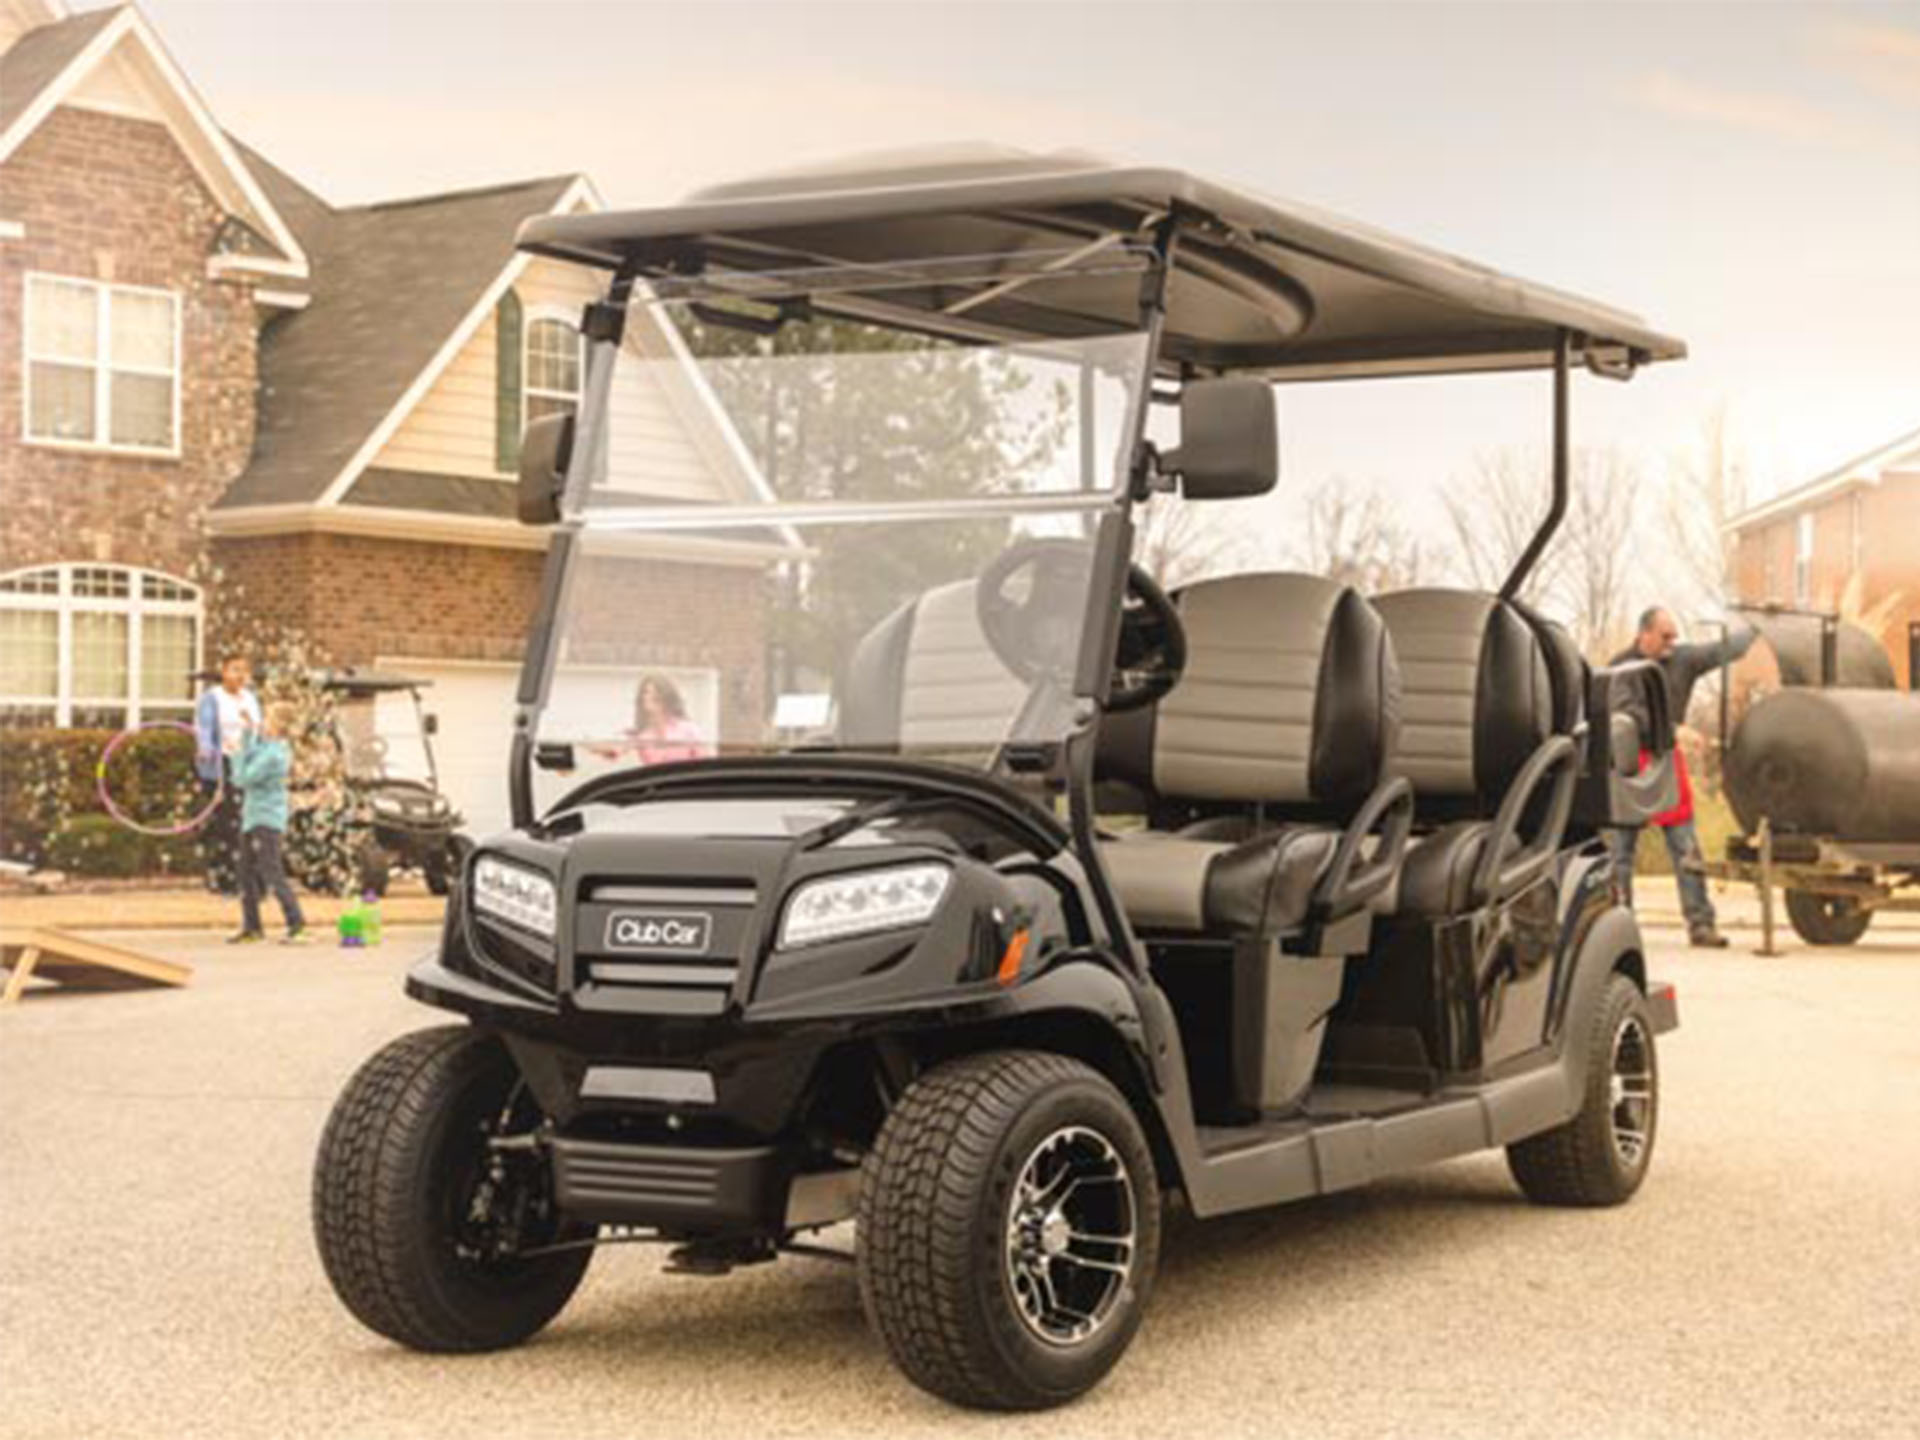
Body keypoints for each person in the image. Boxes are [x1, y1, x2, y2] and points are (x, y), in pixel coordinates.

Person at [1609, 606, 1757, 948]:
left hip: (1666, 762)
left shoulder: (1683, 660)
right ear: (1644, 634)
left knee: (1686, 847)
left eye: (1675, 636)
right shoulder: (1621, 668)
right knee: (1621, 853)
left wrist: (1759, 628)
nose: (1672, 643)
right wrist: (1673, 729)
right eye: (1665, 636)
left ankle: (1701, 924)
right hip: (1629, 765)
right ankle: (1620, 930)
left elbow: (1724, 650)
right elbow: (1626, 717)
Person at [228, 700, 310, 945]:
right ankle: (252, 928)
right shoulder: (267, 747)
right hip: (253, 818)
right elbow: (251, 749)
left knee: (271, 871)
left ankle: (297, 925)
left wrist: (234, 754)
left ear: (279, 726)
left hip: (267, 820)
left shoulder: (275, 755)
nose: (264, 722)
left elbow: (243, 778)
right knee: (245, 873)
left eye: (269, 719)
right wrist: (247, 730)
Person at [194, 656, 261, 895]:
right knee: (226, 822)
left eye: (244, 670)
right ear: (223, 672)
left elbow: (257, 730)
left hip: (245, 765)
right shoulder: (212, 698)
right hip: (221, 766)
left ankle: (250, 877)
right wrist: (205, 747)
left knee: (249, 823)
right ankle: (224, 876)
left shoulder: (250, 699)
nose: (240, 675)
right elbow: (204, 727)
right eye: (234, 669)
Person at [596, 674, 712, 766]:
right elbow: (614, 751)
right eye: (646, 692)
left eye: (656, 693)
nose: (650, 697)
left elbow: (704, 765)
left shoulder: (688, 730)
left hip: (685, 790)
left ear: (666, 697)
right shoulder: (641, 736)